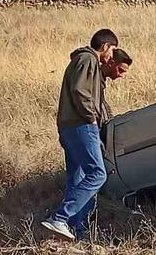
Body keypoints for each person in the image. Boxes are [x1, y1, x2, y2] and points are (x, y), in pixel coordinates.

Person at [42, 29, 120, 241]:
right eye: (112, 50)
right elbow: (80, 91)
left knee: (77, 179)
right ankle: (60, 218)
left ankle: (76, 231)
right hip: (81, 125)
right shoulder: (87, 59)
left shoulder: (84, 62)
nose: (112, 56)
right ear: (105, 46)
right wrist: (92, 119)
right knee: (97, 174)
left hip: (70, 127)